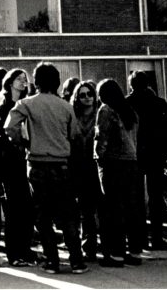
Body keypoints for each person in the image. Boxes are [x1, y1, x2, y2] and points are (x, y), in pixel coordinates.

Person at [4, 62, 87, 275]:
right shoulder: (65, 106)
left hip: (37, 164)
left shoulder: (26, 103)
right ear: (57, 81)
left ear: (36, 82)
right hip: (62, 164)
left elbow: (9, 127)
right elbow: (76, 136)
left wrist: (24, 143)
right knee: (68, 213)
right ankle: (77, 260)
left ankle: (52, 261)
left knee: (43, 215)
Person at [125, 70, 167, 251]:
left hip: (135, 154)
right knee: (156, 197)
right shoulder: (159, 103)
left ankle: (139, 238)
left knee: (136, 198)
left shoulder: (127, 103)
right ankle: (157, 237)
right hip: (156, 154)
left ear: (131, 84)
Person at [94, 78, 142, 267]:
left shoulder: (106, 110)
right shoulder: (130, 111)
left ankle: (116, 254)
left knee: (113, 210)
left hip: (113, 163)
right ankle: (135, 253)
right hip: (132, 162)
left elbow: (101, 138)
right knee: (132, 209)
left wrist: (98, 158)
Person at [0, 68, 36, 266]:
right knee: (13, 206)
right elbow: (6, 133)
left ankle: (26, 249)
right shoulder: (4, 107)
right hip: (10, 160)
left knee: (27, 206)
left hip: (26, 158)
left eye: (25, 80)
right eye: (19, 79)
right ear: (9, 82)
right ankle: (14, 252)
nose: (23, 82)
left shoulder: (27, 105)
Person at [70, 80, 101, 261]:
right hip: (80, 167)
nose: (87, 98)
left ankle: (105, 245)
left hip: (98, 166)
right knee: (86, 210)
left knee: (102, 208)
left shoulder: (100, 115)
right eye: (82, 95)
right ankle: (89, 246)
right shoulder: (74, 117)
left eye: (89, 94)